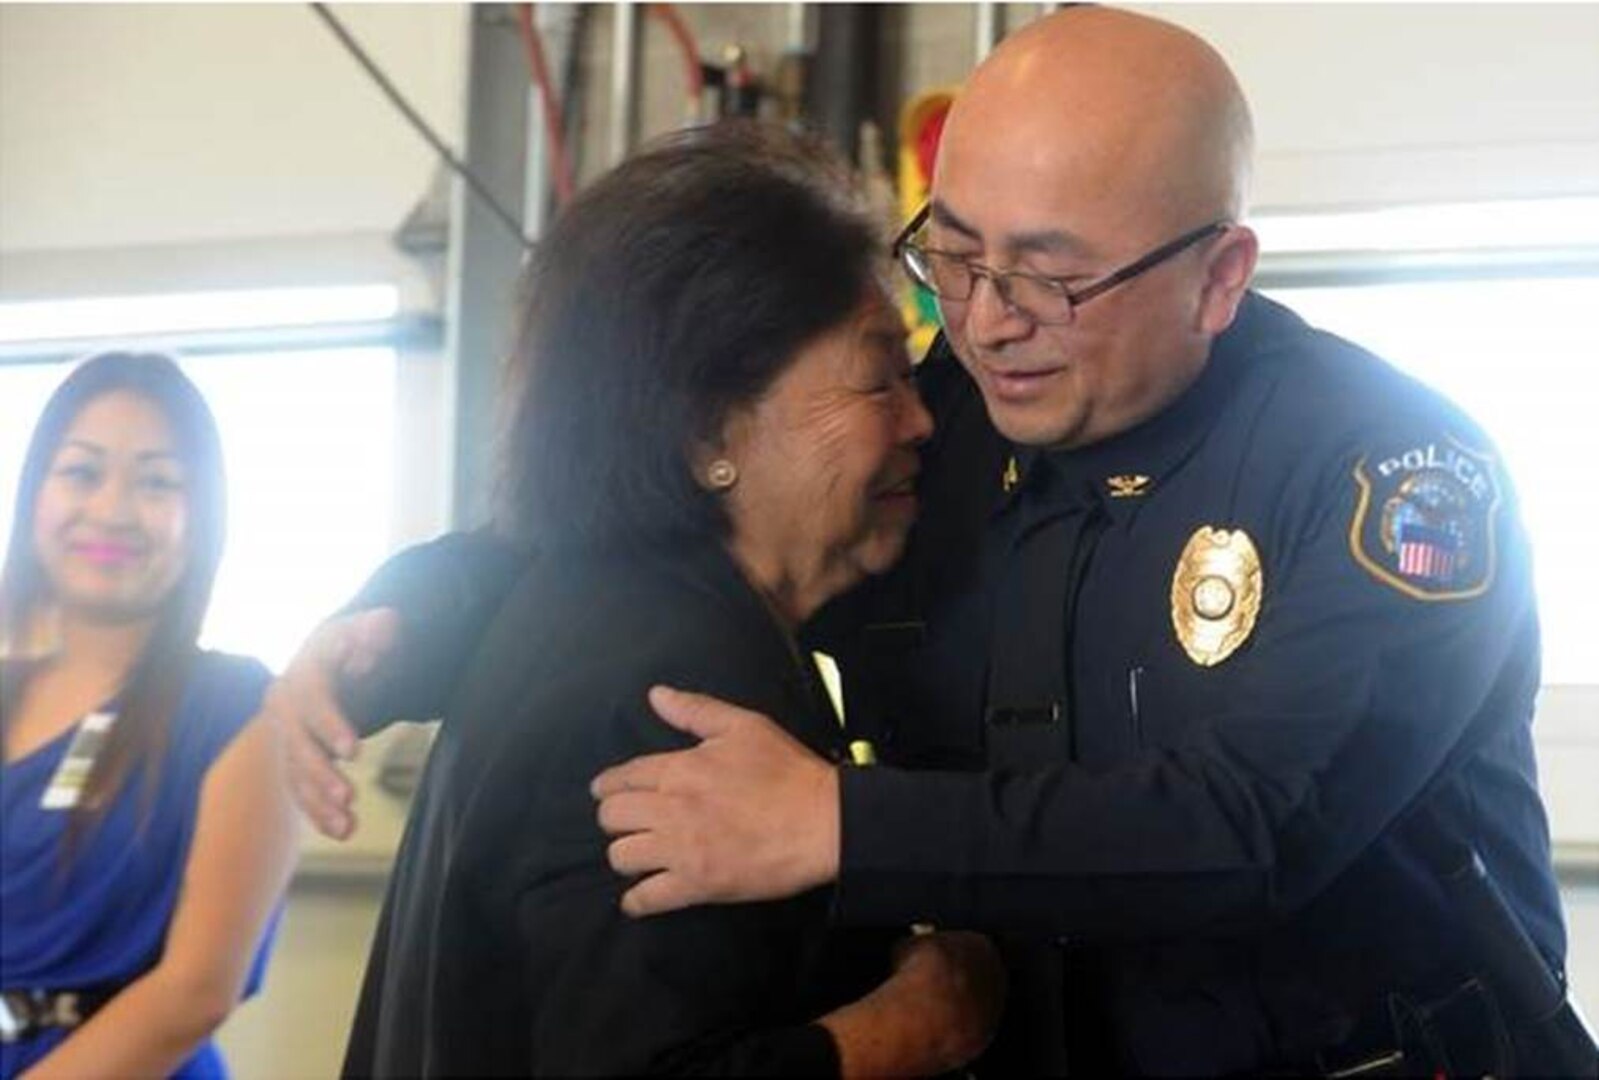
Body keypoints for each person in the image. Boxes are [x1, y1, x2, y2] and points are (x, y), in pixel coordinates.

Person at [273, 8, 1570, 1075]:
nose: (987, 321)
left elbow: (1251, 825)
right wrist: (399, 625)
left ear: (1216, 275)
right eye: (950, 254)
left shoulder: (1387, 474)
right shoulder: (933, 423)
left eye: (1049, 276)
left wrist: (839, 823)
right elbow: (666, 507)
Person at [337, 122, 1004, 1077]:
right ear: (704, 431)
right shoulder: (668, 688)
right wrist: (905, 1031)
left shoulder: (608, 602)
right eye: (877, 377)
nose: (921, 419)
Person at [0, 352, 296, 1079]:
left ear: (203, 518)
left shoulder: (243, 708)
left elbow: (194, 993)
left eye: (158, 482)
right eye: (81, 472)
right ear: (35, 493)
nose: (112, 510)